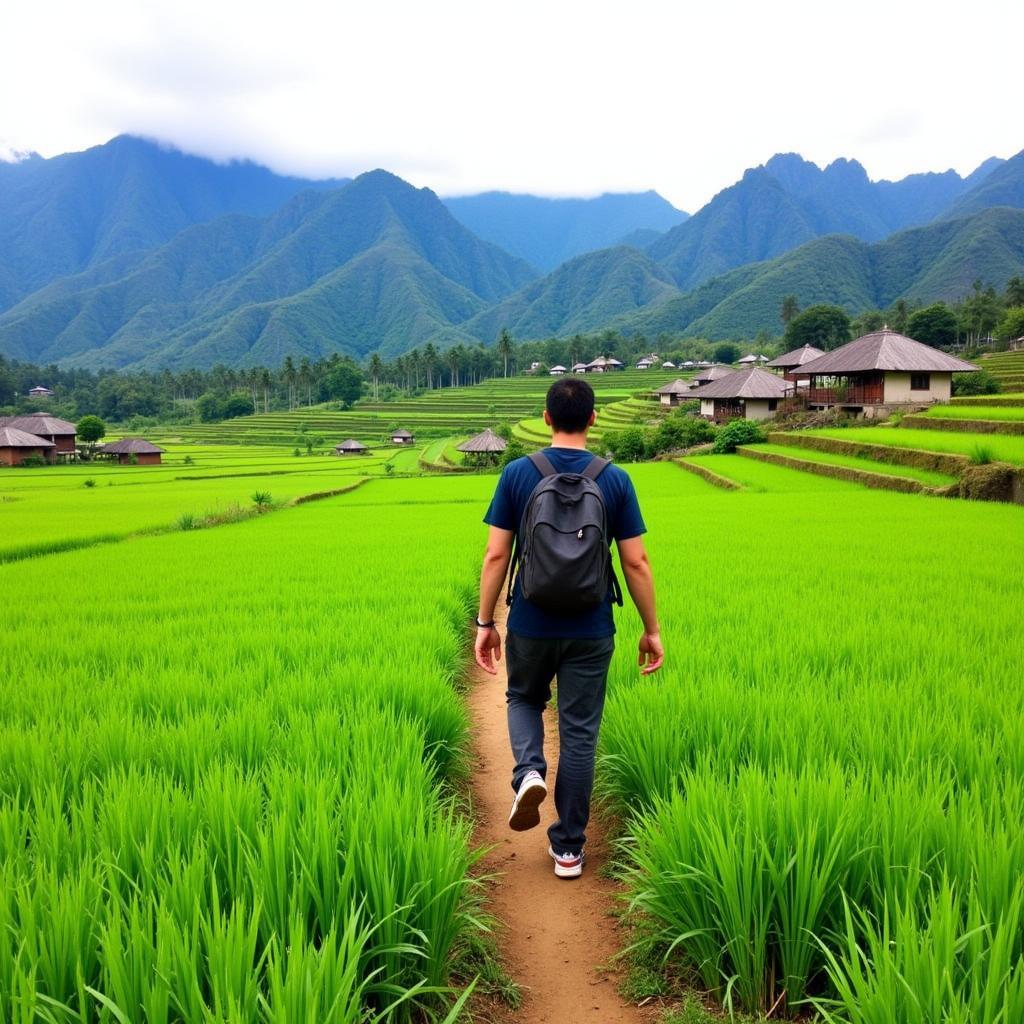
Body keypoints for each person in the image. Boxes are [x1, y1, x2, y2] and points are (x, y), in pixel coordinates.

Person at [474, 376, 663, 879]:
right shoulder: (614, 479)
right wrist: (651, 629)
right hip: (591, 626)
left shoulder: (518, 473)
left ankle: (529, 770)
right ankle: (569, 850)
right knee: (580, 733)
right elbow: (637, 563)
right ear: (595, 419)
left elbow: (496, 554)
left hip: (532, 621)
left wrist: (485, 621)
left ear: (546, 417)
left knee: (523, 699)